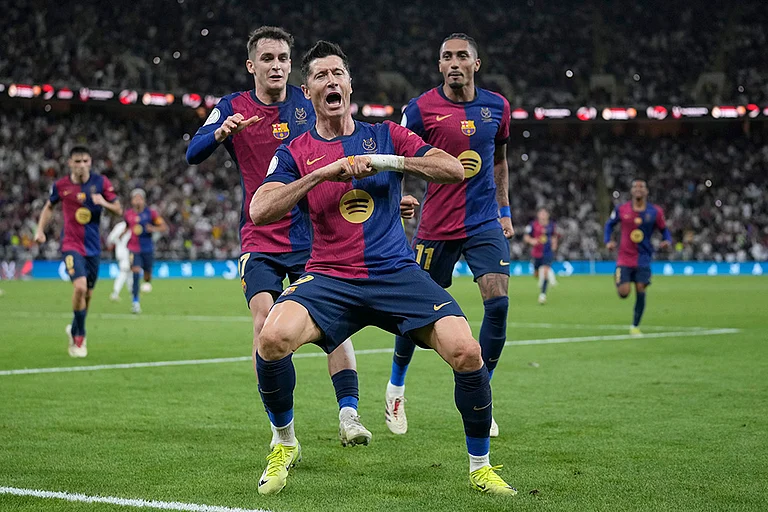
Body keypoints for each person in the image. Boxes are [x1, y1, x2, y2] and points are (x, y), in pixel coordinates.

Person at [249, 40, 516, 496]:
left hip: (395, 272)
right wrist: (321, 174)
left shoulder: (388, 134)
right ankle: (284, 443)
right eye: (319, 76)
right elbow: (260, 209)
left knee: (466, 351)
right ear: (308, 91)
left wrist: (387, 163)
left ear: (350, 85)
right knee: (271, 338)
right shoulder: (296, 151)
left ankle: (480, 467)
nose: (330, 81)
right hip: (330, 277)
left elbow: (453, 168)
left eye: (338, 73)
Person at [186, 26, 372, 448]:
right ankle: (281, 431)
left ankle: (349, 414)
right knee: (264, 322)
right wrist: (220, 133)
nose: (277, 66)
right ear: (251, 66)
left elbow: (343, 146)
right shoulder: (233, 106)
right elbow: (192, 153)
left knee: (333, 328)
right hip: (260, 240)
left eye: (284, 59)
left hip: (313, 239)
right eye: (268, 59)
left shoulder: (308, 103)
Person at [386, 33, 513, 438]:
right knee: (415, 314)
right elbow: (399, 155)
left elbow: (500, 162)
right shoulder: (420, 109)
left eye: (462, 56)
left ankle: (482, 395)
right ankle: (396, 387)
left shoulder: (498, 107)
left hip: (483, 222)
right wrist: (402, 194)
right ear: (439, 66)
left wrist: (505, 211)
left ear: (477, 64)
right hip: (437, 227)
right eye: (447, 57)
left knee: (498, 303)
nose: (454, 62)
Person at [33, 146, 122, 357]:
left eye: (85, 161)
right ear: (70, 163)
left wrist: (104, 203)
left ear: (90, 162)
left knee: (88, 295)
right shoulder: (61, 185)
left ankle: (73, 327)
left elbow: (118, 209)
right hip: (71, 245)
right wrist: (39, 230)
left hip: (93, 247)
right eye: (77, 161)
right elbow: (48, 207)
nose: (82, 165)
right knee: (80, 288)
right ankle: (79, 335)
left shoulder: (101, 183)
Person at [604, 179, 672, 335]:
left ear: (646, 191)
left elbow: (664, 229)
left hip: (643, 257)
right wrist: (608, 241)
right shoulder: (622, 209)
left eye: (642, 186)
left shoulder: (655, 212)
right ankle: (618, 277)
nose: (638, 189)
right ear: (632, 191)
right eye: (635, 186)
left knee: (641, 288)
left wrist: (667, 240)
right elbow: (609, 225)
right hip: (625, 257)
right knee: (624, 292)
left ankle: (635, 325)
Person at [123, 188, 168, 314]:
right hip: (133, 248)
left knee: (147, 275)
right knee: (135, 272)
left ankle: (146, 282)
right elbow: (127, 226)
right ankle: (135, 302)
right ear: (132, 201)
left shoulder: (151, 213)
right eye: (135, 198)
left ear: (144, 200)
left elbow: (164, 226)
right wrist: (121, 235)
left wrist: (153, 228)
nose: (137, 200)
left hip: (147, 248)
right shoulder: (128, 214)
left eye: (140, 198)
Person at [524, 207, 558, 304]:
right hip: (536, 253)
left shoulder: (551, 225)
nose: (543, 215)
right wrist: (532, 241)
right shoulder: (533, 225)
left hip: (547, 252)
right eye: (541, 213)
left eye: (544, 213)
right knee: (536, 274)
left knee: (546, 271)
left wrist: (554, 244)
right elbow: (526, 237)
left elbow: (554, 236)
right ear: (538, 215)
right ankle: (543, 279)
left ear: (548, 215)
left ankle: (542, 295)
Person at [107, 220, 132, 301]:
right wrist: (119, 238)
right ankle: (115, 293)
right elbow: (111, 239)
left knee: (129, 273)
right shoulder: (121, 226)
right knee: (124, 272)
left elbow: (110, 239)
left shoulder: (121, 225)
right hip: (124, 253)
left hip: (127, 253)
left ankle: (133, 293)